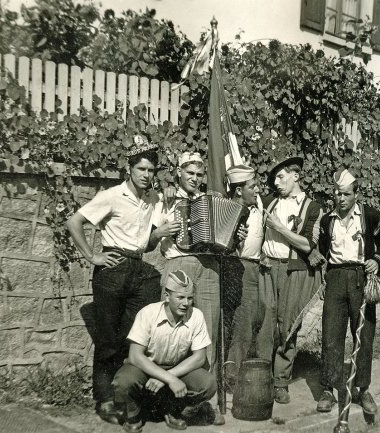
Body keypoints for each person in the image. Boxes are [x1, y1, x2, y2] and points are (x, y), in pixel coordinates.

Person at [65, 135, 174, 424]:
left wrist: (156, 236)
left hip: (139, 269)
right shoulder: (112, 195)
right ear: (130, 169)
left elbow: (147, 245)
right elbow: (74, 222)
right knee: (108, 340)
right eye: (141, 169)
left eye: (151, 170)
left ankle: (127, 397)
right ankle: (105, 400)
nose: (146, 175)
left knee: (134, 340)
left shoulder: (152, 199)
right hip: (112, 268)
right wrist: (93, 256)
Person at [315, 169, 380, 415]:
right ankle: (329, 388)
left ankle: (362, 390)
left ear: (356, 195)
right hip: (336, 277)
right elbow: (322, 250)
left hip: (362, 278)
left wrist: (378, 261)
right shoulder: (327, 220)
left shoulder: (369, 216)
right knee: (331, 332)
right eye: (338, 194)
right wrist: (323, 277)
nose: (341, 199)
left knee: (364, 335)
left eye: (346, 194)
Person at [154, 151, 224, 425]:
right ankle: (171, 405)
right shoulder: (166, 197)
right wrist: (163, 231)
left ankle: (206, 403)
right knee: (173, 335)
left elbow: (225, 235)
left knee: (208, 333)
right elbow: (153, 234)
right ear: (179, 173)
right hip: (178, 264)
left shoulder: (209, 202)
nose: (194, 179)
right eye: (189, 173)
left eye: (198, 174)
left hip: (209, 266)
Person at [112, 270, 217, 432]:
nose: (186, 303)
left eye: (189, 298)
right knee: (124, 381)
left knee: (208, 384)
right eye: (180, 297)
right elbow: (135, 355)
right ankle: (135, 413)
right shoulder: (148, 313)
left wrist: (169, 377)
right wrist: (169, 379)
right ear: (167, 297)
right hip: (145, 367)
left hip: (176, 368)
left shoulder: (196, 316)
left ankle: (175, 411)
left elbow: (199, 358)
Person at [261, 156, 324, 404]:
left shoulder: (312, 207)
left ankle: (280, 382)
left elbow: (308, 244)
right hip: (266, 267)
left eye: (281, 177)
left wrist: (279, 227)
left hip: (292, 270)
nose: (276, 182)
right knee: (265, 323)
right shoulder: (270, 202)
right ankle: (261, 375)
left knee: (287, 325)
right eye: (275, 178)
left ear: (296, 176)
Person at [222, 165, 275, 383]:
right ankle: (230, 376)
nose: (257, 191)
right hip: (233, 266)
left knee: (248, 321)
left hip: (253, 268)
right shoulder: (227, 209)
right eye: (252, 187)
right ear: (238, 191)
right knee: (239, 324)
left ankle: (233, 372)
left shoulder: (258, 208)